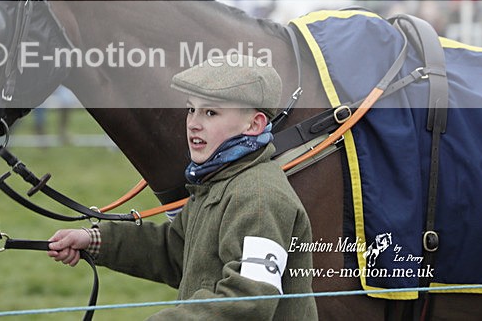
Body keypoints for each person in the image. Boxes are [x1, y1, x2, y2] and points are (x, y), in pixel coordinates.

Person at [48, 55, 317, 319]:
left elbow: (249, 300)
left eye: (211, 112)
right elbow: (176, 250)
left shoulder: (259, 196)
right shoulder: (220, 180)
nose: (194, 124)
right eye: (192, 109)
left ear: (254, 124)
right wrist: (95, 240)